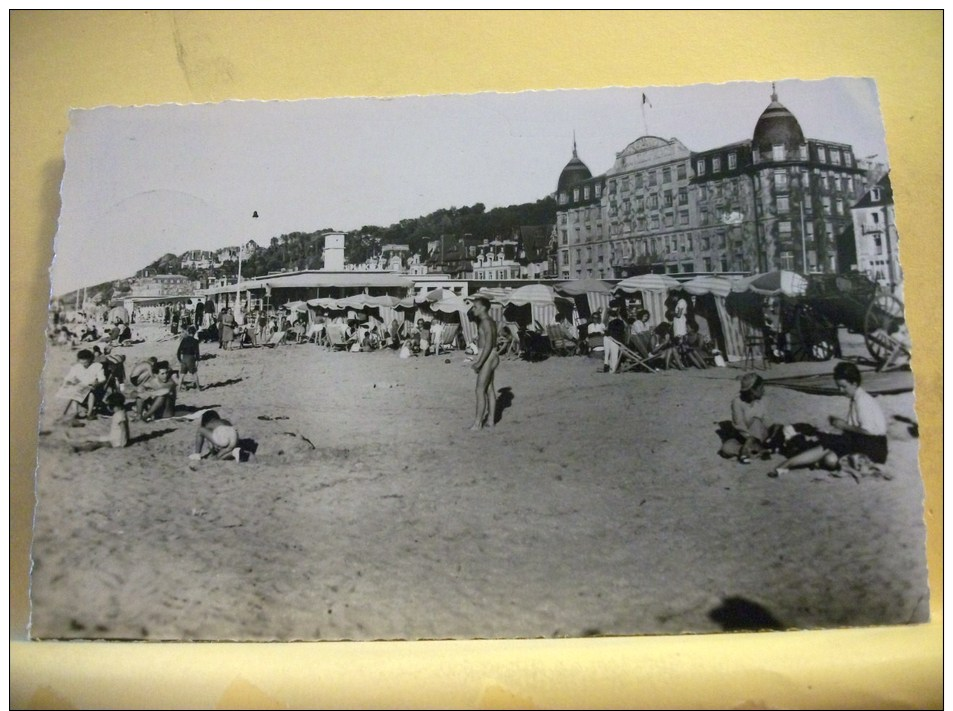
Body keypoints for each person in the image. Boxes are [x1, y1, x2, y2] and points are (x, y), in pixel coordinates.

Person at [768, 362, 888, 478]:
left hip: (873, 446)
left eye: (843, 386)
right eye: (839, 387)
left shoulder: (862, 401)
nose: (841, 390)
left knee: (828, 442)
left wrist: (843, 425)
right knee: (829, 459)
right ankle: (800, 463)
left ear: (854, 383)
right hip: (867, 443)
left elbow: (869, 431)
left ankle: (786, 465)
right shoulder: (856, 398)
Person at [720, 373, 769, 463]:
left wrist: (754, 438)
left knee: (756, 422)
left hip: (760, 437)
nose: (763, 390)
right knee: (726, 448)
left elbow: (765, 423)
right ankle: (753, 451)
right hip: (744, 438)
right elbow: (739, 425)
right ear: (752, 390)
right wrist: (749, 439)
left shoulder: (762, 401)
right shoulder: (737, 402)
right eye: (761, 388)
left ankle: (748, 451)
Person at [469, 296, 500, 431]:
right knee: (489, 389)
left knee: (479, 390)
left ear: (483, 308)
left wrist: (479, 362)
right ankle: (491, 420)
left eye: (475, 307)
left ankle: (477, 424)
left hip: (487, 356)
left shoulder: (485, 322)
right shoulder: (490, 321)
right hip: (493, 355)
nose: (473, 309)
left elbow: (487, 344)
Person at [65, 391, 130, 451]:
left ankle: (78, 449)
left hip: (115, 442)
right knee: (90, 436)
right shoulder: (121, 412)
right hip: (111, 438)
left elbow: (124, 429)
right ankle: (72, 440)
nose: (107, 407)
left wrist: (122, 445)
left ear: (113, 405)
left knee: (96, 444)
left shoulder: (119, 415)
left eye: (108, 405)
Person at [57, 348, 106, 421]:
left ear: (90, 359)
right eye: (81, 360)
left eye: (85, 360)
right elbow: (69, 377)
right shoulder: (77, 367)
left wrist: (96, 383)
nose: (83, 362)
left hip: (93, 387)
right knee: (74, 391)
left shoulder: (97, 366)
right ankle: (76, 412)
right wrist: (67, 382)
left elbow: (102, 379)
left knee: (91, 393)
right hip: (81, 386)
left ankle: (89, 413)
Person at [176, 326, 202, 391]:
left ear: (188, 332)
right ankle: (198, 388)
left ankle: (179, 389)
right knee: (194, 374)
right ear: (195, 332)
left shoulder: (184, 340)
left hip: (184, 357)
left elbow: (179, 351)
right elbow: (197, 352)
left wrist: (179, 359)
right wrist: (198, 360)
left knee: (182, 375)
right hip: (191, 358)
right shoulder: (195, 341)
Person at [603, 307, 628, 373]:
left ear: (611, 317)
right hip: (617, 340)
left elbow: (610, 332)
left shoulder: (613, 323)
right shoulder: (620, 322)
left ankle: (607, 363)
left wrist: (606, 331)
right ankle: (609, 365)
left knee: (606, 338)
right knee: (607, 339)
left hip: (616, 341)